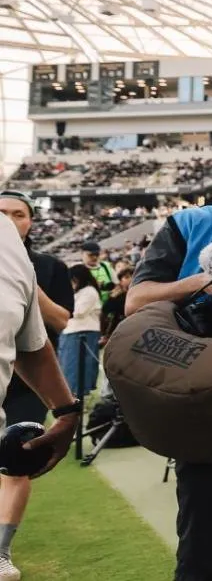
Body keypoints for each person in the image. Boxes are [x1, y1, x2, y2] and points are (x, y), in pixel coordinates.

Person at [125, 131, 212, 581]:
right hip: (208, 412)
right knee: (201, 552)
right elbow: (137, 301)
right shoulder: (190, 225)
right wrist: (205, 279)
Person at [0, 192, 74, 581]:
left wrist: (27, 285)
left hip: (27, 381)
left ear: (31, 221)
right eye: (3, 213)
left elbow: (61, 321)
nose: (10, 220)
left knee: (16, 462)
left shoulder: (49, 266)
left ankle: (2, 549)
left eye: (19, 214)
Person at [58, 265, 102, 397]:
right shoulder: (77, 292)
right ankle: (72, 394)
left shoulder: (89, 291)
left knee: (76, 368)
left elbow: (78, 311)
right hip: (71, 332)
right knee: (67, 367)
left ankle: (77, 395)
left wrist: (62, 308)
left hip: (82, 333)